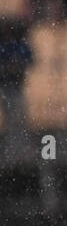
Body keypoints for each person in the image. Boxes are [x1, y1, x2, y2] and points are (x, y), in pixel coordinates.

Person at [0, 16, 33, 144]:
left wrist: (16, 66)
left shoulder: (19, 44)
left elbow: (29, 59)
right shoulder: (4, 46)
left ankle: (20, 148)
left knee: (18, 117)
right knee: (12, 118)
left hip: (18, 86)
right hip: (6, 86)